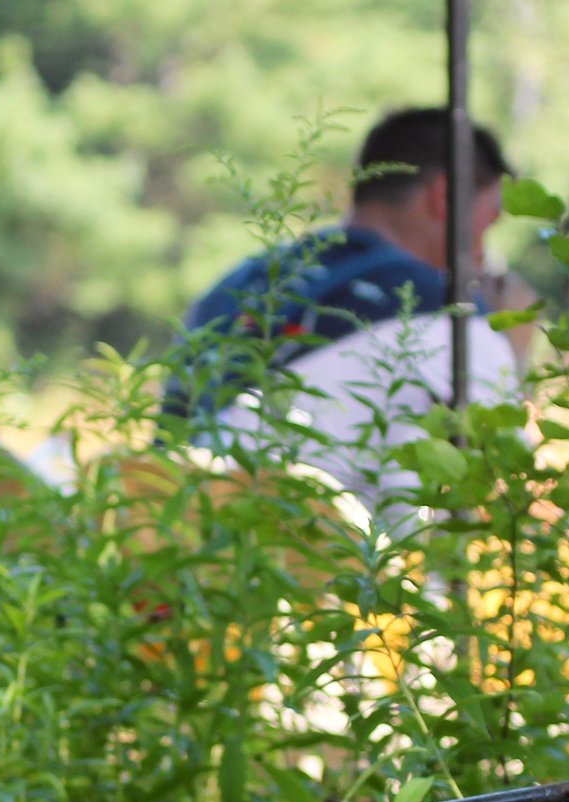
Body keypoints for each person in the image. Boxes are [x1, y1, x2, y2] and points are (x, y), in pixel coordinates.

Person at [171, 107, 521, 508]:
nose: (485, 248)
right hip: (334, 561)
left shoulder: (233, 287)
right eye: (492, 217)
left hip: (174, 542)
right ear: (444, 196)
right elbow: (507, 487)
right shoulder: (449, 315)